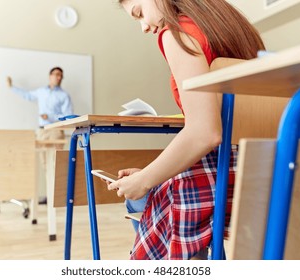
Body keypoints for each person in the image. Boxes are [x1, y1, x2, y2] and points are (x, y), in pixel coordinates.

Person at [106, 0, 266, 260]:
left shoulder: (177, 33)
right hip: (267, 166)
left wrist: (145, 180)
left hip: (228, 174)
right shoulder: (233, 26)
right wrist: (149, 174)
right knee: (154, 182)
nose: (144, 27)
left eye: (139, 13)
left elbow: (206, 133)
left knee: (138, 198)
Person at [7, 67, 73, 204]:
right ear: (50, 76)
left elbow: (68, 116)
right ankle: (50, 196)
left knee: (57, 165)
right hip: (42, 132)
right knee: (45, 164)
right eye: (56, 75)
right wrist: (11, 87)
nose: (59, 77)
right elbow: (27, 95)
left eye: (61, 76)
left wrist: (50, 116)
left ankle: (60, 197)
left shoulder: (64, 95)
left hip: (56, 130)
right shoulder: (41, 92)